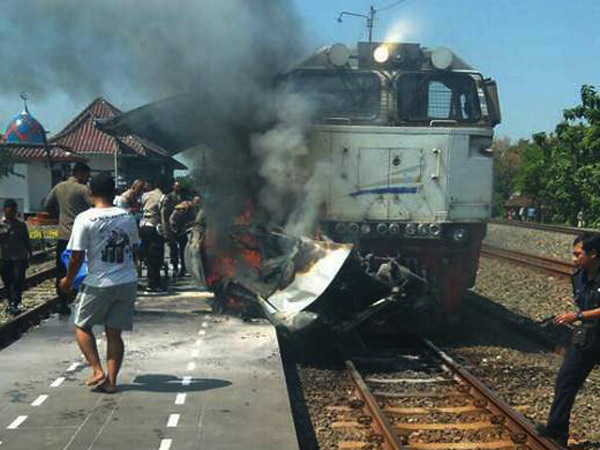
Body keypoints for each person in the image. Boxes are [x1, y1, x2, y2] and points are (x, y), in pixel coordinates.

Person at [59, 173, 139, 393]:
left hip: (99, 282)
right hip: (127, 280)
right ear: (114, 192)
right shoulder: (127, 217)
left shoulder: (85, 218)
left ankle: (96, 370)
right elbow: (134, 248)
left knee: (81, 324)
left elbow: (76, 256)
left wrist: (67, 281)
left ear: (90, 192)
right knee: (114, 333)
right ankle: (111, 382)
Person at [538, 234, 600, 446]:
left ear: (593, 254)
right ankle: (556, 430)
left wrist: (579, 316)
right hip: (588, 337)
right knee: (566, 380)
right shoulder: (579, 277)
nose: (574, 258)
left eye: (578, 254)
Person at [44, 162, 93, 315]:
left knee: (61, 270)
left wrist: (59, 215)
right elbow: (94, 205)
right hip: (81, 236)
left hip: (63, 235)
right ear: (81, 173)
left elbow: (47, 205)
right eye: (87, 175)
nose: (88, 178)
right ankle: (80, 298)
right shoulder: (83, 189)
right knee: (82, 268)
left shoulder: (59, 187)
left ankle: (62, 302)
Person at [0, 199, 33, 315]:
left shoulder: (21, 225)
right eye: (10, 210)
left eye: (14, 210)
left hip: (19, 257)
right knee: (7, 281)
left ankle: (15, 302)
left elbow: (26, 240)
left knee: (18, 280)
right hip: (5, 258)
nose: (12, 213)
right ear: (4, 210)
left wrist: (30, 253)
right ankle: (10, 301)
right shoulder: (1, 224)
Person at [139, 175, 172, 291]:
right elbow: (164, 217)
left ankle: (150, 281)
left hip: (143, 226)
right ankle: (154, 284)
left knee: (147, 256)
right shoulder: (163, 198)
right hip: (154, 228)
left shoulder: (145, 195)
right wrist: (167, 234)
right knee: (156, 256)